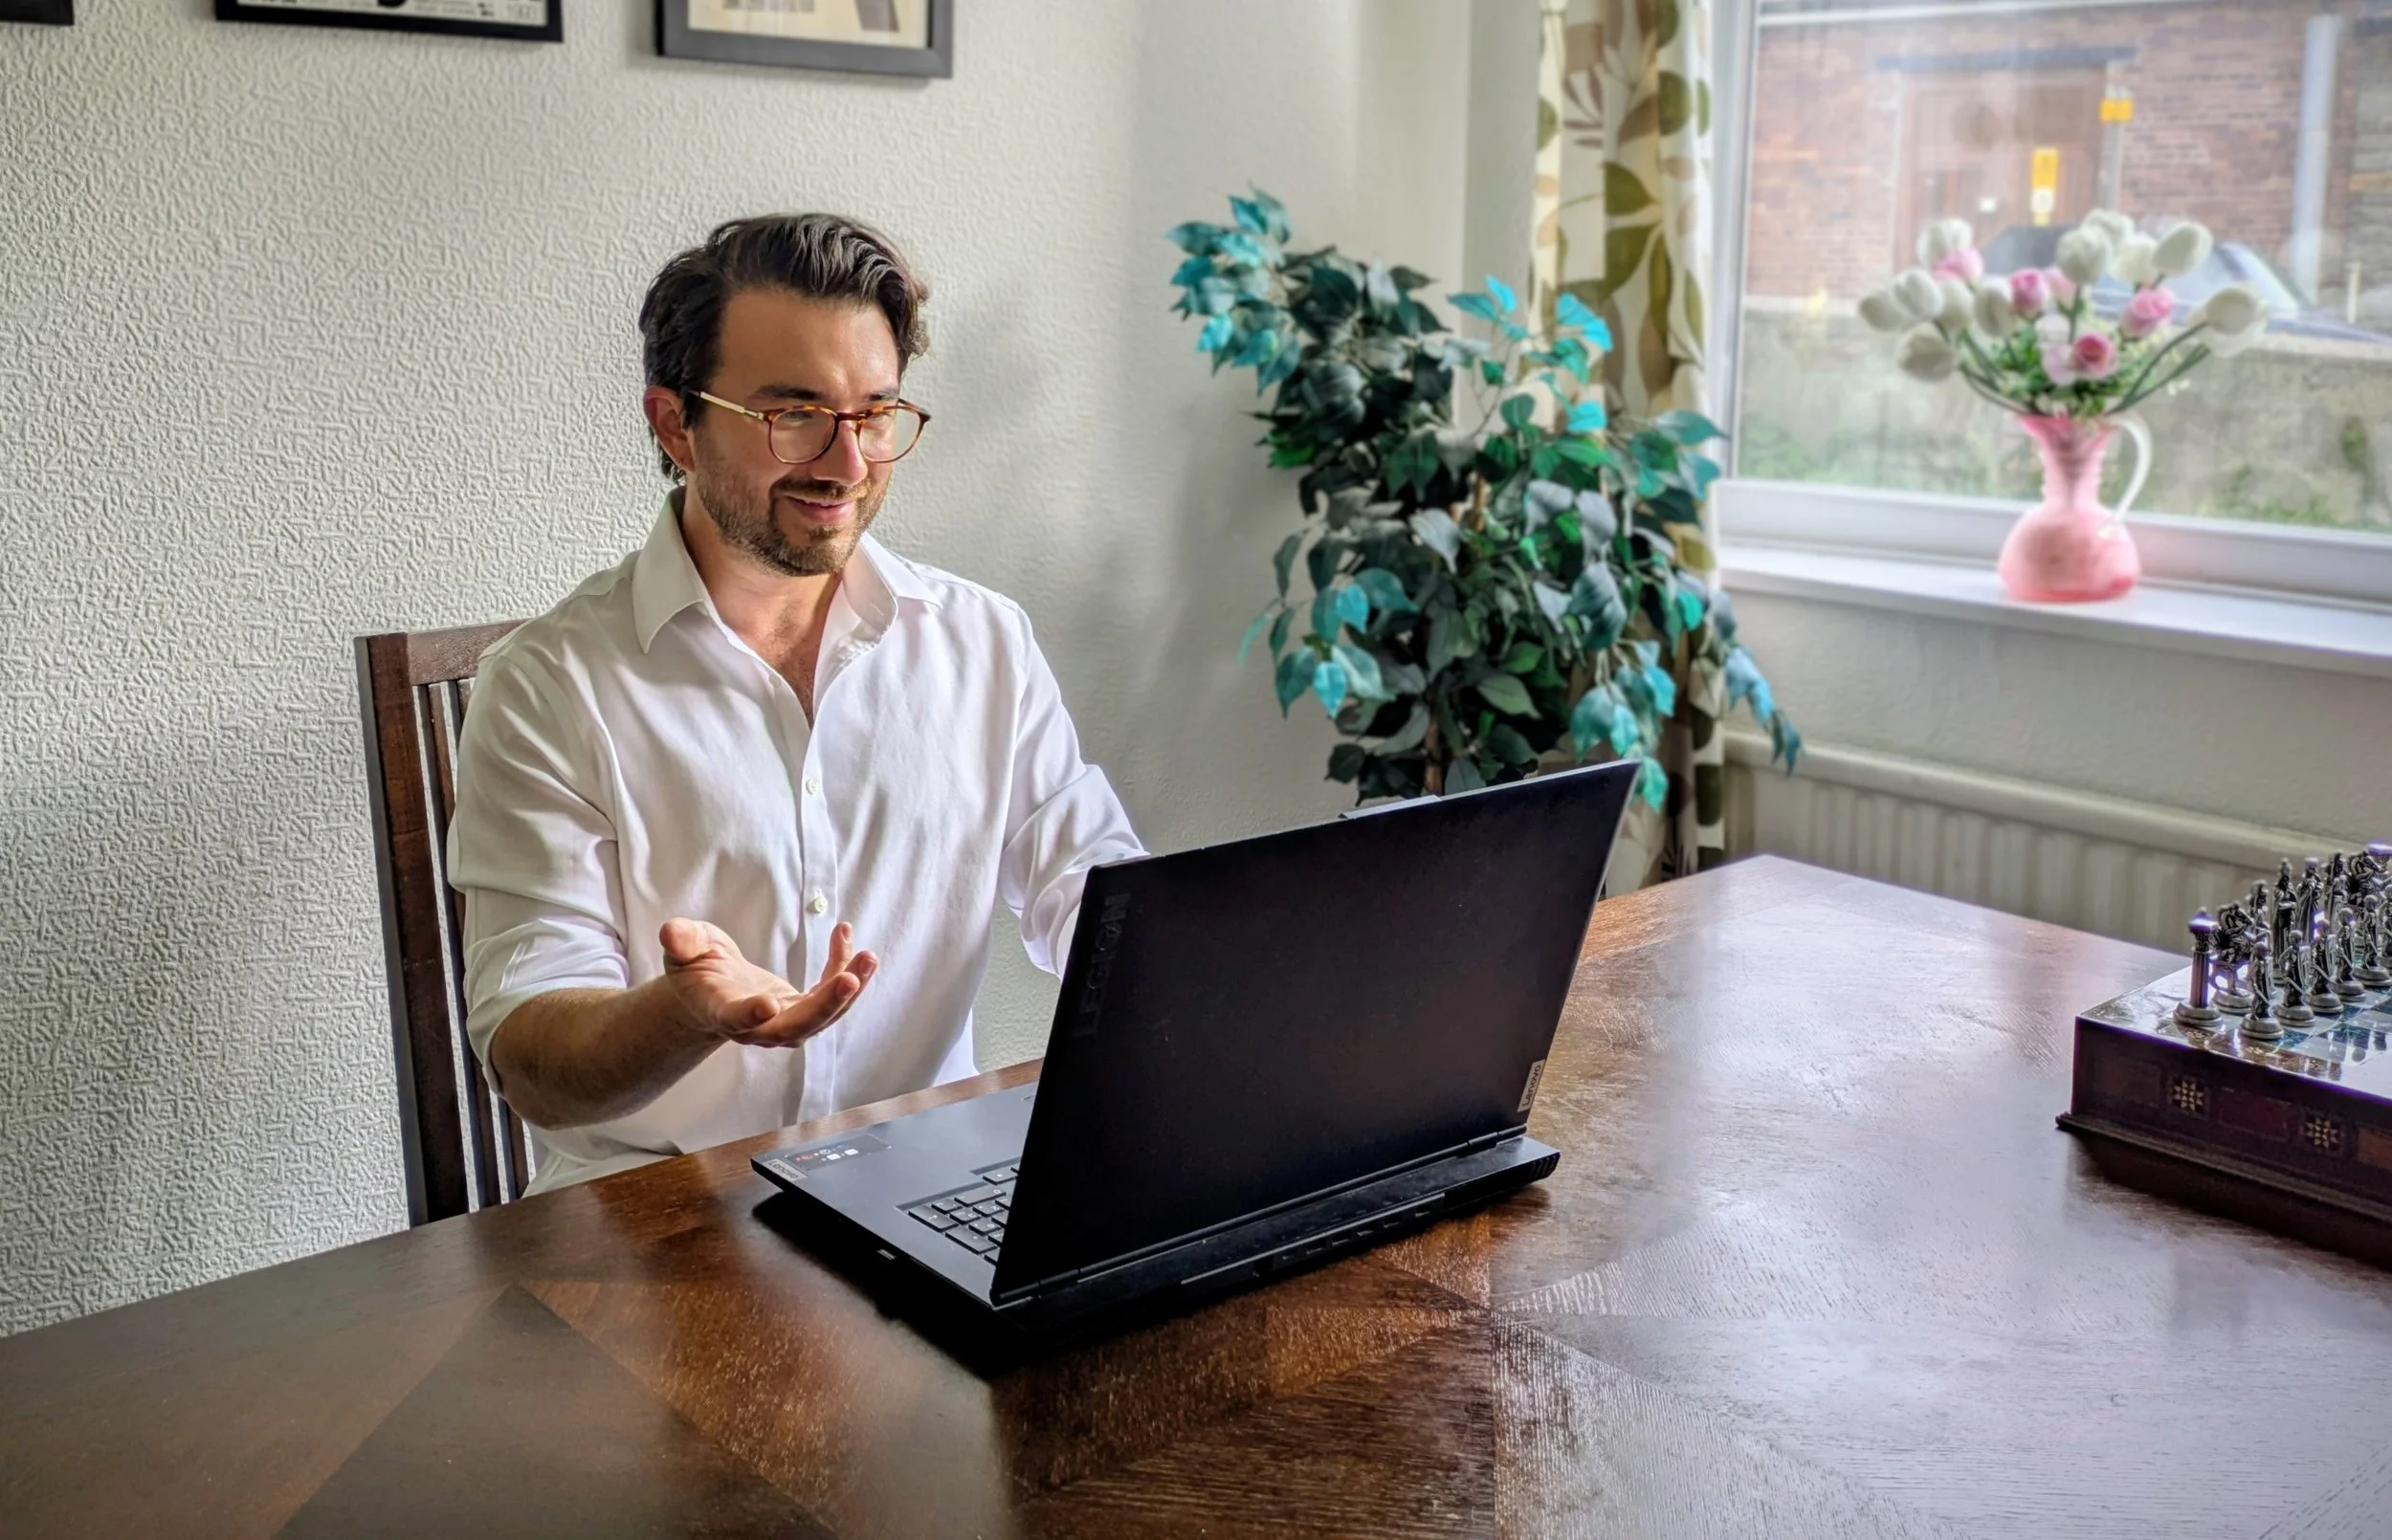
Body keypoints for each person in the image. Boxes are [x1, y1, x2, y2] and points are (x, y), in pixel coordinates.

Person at [447, 213, 1144, 1193]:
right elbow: (531, 1064)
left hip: (922, 1192)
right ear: (671, 423)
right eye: (794, 413)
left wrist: (1231, 961)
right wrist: (682, 1012)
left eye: (874, 412)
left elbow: (1100, 895)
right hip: (655, 1226)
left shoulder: (982, 641)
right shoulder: (549, 683)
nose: (848, 464)